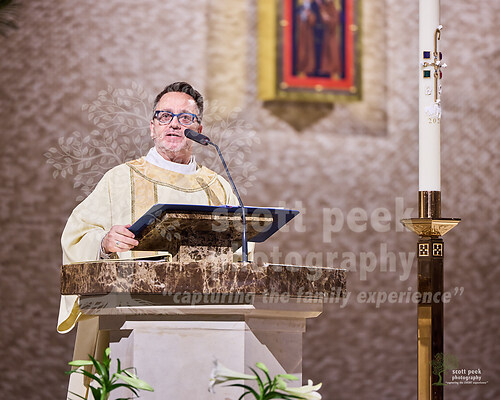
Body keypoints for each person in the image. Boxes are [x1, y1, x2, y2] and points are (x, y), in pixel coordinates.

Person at [58, 81, 250, 398]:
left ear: (198, 129)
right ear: (152, 127)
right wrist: (104, 243)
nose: (174, 123)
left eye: (185, 117)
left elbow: (241, 251)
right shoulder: (121, 178)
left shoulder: (218, 188)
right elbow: (77, 235)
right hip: (129, 322)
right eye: (164, 116)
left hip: (206, 323)